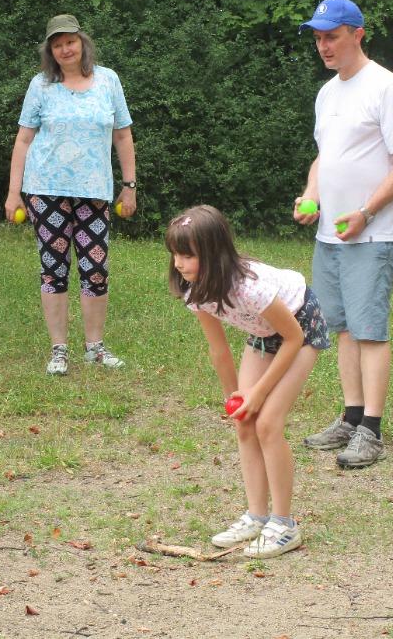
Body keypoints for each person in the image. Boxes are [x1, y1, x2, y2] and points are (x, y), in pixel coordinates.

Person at [294, 0, 393, 468]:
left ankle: (372, 430)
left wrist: (366, 212)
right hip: (330, 234)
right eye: (318, 37)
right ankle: (349, 417)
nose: (323, 45)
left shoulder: (386, 88)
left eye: (332, 36)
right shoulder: (327, 93)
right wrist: (312, 196)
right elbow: (323, 158)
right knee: (340, 327)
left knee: (369, 330)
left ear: (357, 34)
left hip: (373, 232)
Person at [166, 205, 330, 558]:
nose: (179, 263)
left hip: (298, 326)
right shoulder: (194, 290)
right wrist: (236, 397)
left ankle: (284, 525)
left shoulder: (249, 288)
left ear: (213, 253)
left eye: (187, 255)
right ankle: (257, 517)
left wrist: (258, 392)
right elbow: (219, 350)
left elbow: (293, 337)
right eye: (175, 254)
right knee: (246, 424)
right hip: (263, 332)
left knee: (268, 424)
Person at [5, 14, 136, 375]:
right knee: (53, 269)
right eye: (57, 44)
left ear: (83, 43)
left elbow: (122, 135)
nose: (65, 49)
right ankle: (58, 351)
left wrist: (130, 186)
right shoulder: (41, 85)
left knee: (95, 269)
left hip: (94, 192)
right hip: (45, 191)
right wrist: (13, 193)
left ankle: (95, 348)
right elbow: (24, 138)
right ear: (50, 50)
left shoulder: (108, 80)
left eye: (70, 41)